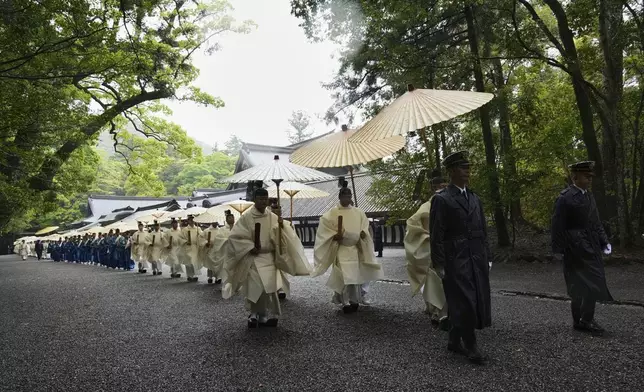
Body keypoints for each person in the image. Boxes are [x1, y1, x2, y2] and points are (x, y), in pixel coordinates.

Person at [430, 151, 491, 365]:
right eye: (463, 168)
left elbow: (482, 229)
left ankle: (454, 341)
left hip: (475, 255)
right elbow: (436, 233)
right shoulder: (442, 199)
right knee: (465, 300)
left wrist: (487, 255)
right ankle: (471, 344)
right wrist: (439, 262)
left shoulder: (474, 198)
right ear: (452, 171)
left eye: (468, 168)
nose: (467, 172)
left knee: (472, 298)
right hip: (455, 256)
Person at [222, 188, 311, 328]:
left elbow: (282, 235)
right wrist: (251, 247)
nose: (263, 202)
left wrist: (283, 225)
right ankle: (253, 313)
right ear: (255, 200)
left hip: (269, 257)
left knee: (269, 287)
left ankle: (263, 314)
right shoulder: (246, 217)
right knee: (255, 286)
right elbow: (236, 236)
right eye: (260, 199)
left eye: (265, 199)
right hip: (254, 258)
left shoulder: (273, 217)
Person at [551, 161, 612, 336]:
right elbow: (557, 225)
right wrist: (558, 250)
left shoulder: (589, 196)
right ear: (574, 177)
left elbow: (596, 221)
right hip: (574, 249)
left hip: (591, 247)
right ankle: (578, 321)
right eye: (586, 176)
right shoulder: (565, 198)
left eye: (590, 176)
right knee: (576, 286)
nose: (589, 179)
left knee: (594, 283)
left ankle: (586, 320)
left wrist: (604, 241)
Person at [312, 184, 384, 313]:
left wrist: (363, 233)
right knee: (345, 275)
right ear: (339, 197)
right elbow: (325, 229)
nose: (347, 199)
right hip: (342, 248)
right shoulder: (332, 213)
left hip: (354, 247)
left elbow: (365, 226)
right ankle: (345, 301)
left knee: (354, 276)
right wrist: (335, 236)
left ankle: (354, 299)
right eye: (344, 196)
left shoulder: (358, 212)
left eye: (349, 196)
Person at [405, 168, 450, 330]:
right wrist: (426, 237)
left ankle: (445, 311)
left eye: (444, 185)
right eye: (438, 186)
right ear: (432, 187)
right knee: (436, 279)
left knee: (449, 281)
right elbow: (412, 224)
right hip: (432, 248)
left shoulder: (452, 202)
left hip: (451, 248)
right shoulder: (426, 207)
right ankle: (438, 312)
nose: (441, 188)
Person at [179, 215, 202, 282]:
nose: (192, 221)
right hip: (188, 246)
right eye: (190, 220)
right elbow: (181, 238)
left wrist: (199, 236)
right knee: (189, 261)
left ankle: (194, 274)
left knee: (194, 261)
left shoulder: (198, 228)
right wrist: (186, 241)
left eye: (193, 219)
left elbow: (201, 236)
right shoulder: (185, 229)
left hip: (195, 247)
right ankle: (189, 275)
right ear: (188, 221)